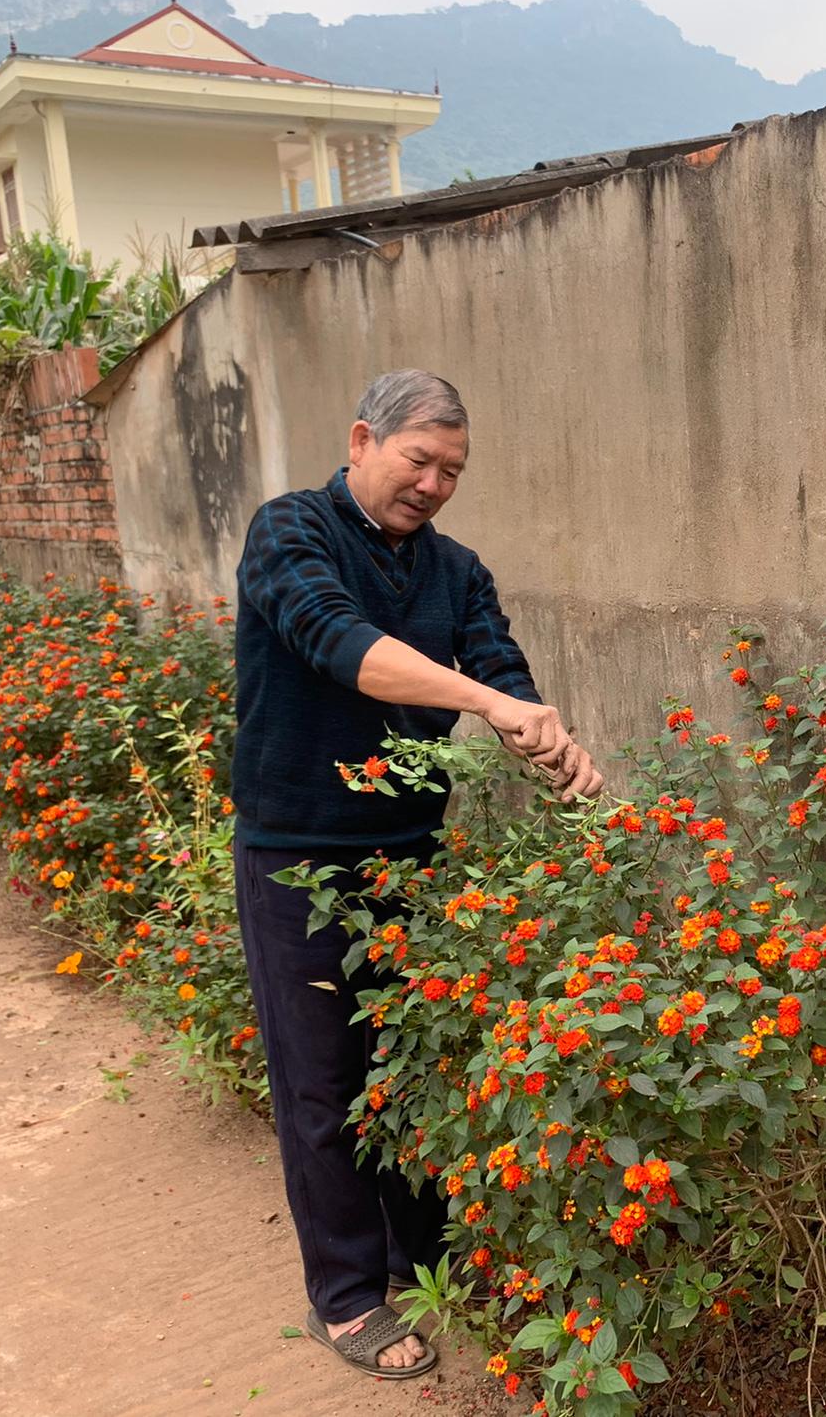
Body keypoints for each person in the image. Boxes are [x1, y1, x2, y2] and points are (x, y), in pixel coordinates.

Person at [230, 369, 601, 1380]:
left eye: (452, 470)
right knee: (322, 1081)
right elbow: (343, 648)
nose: (434, 483)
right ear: (361, 440)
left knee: (410, 1065)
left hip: (410, 857)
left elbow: (499, 668)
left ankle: (424, 1255)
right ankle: (347, 1297)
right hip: (296, 853)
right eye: (418, 460)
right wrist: (488, 703)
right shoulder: (290, 532)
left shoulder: (457, 571)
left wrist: (546, 736)